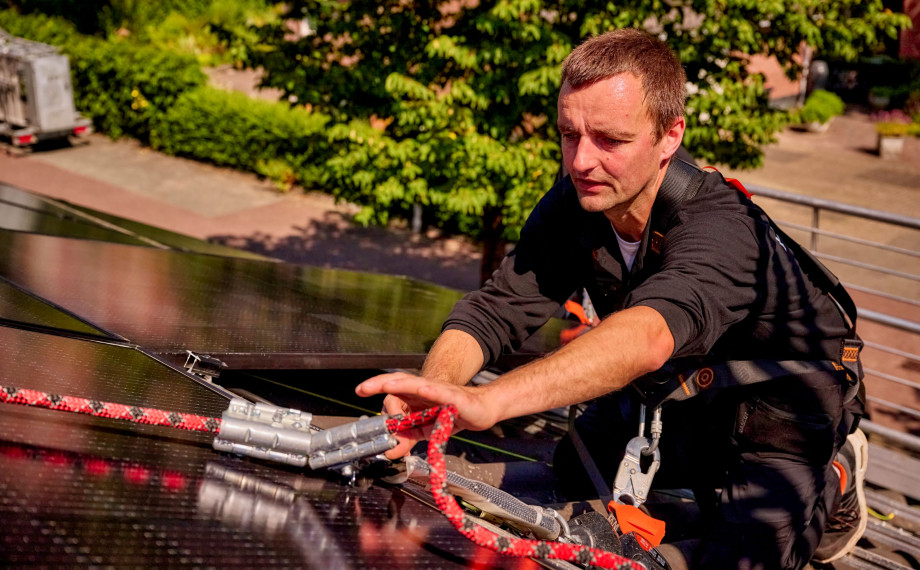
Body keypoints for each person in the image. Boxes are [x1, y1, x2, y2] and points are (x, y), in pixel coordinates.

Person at [356, 28, 867, 569]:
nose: (581, 161)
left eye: (609, 140)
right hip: (680, 383)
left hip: (785, 395)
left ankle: (837, 475)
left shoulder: (720, 227)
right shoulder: (578, 201)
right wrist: (435, 390)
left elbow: (648, 334)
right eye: (568, 134)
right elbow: (495, 308)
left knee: (742, 560)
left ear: (670, 136)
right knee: (573, 478)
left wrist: (490, 401)